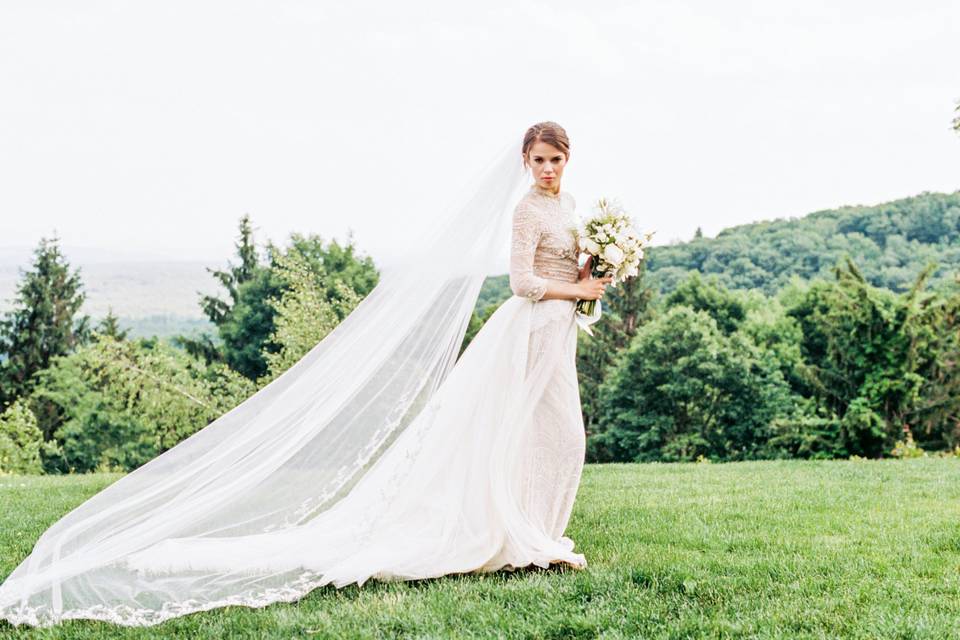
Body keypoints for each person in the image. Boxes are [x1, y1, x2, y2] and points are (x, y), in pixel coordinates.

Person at [0, 121, 612, 627]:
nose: (547, 169)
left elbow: (561, 262)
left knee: (552, 435)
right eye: (538, 160)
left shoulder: (569, 204)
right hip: (529, 331)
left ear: (568, 160)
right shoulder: (526, 211)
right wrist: (576, 287)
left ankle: (535, 532)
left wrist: (595, 268)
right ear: (525, 162)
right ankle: (526, 536)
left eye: (555, 159)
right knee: (550, 433)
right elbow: (523, 283)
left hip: (557, 333)